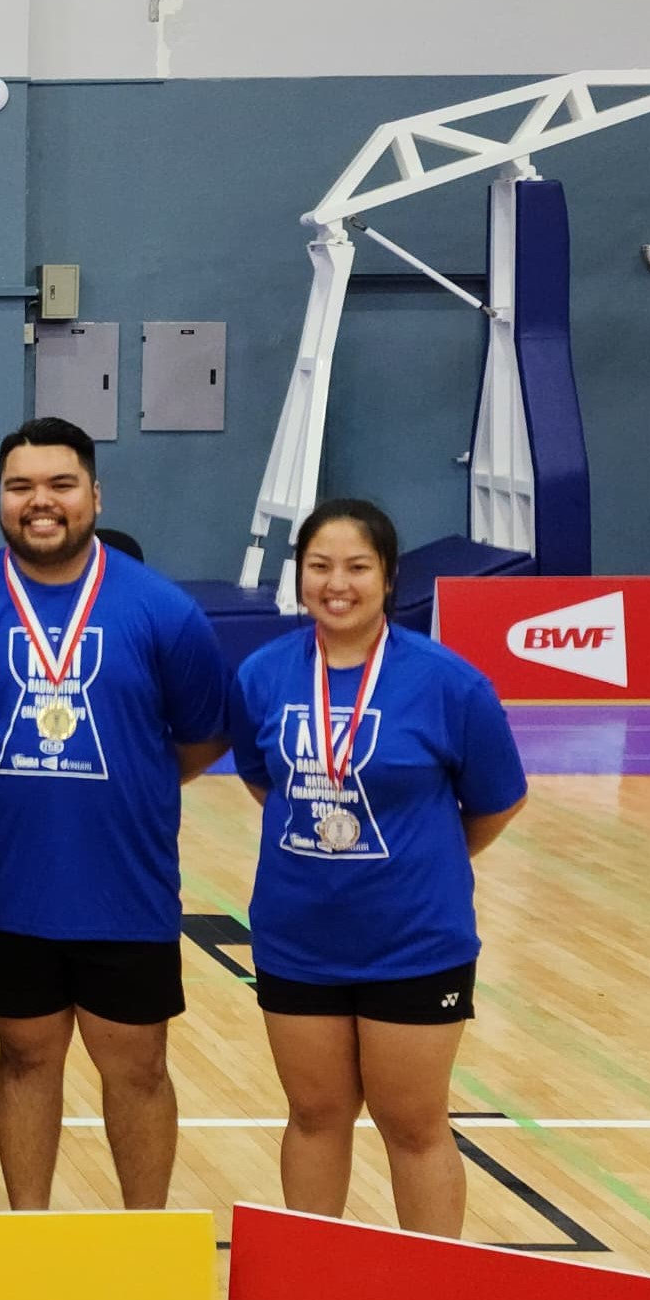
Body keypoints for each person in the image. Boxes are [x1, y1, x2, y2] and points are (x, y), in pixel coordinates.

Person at [0, 420, 237, 1214]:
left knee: (137, 1065)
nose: (41, 502)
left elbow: (202, 734)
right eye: (21, 485)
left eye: (60, 485)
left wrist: (128, 784)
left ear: (94, 495)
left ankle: (142, 1243)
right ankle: (33, 1235)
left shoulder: (163, 612)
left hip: (121, 887)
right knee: (25, 1057)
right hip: (1, 883)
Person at [229, 497, 528, 1238]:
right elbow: (263, 776)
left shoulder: (450, 683)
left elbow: (496, 800)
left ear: (389, 577)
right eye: (320, 566)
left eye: (357, 567)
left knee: (414, 1122)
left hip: (415, 941)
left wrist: (429, 862)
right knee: (314, 1113)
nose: (338, 583)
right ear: (300, 576)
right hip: (298, 937)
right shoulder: (263, 675)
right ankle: (312, 1283)